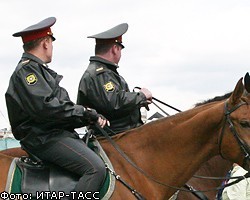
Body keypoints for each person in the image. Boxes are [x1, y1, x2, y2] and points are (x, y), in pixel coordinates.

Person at [5, 17, 108, 197]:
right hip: (44, 138)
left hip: (53, 134)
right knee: (96, 168)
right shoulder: (28, 72)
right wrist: (85, 113)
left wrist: (88, 117)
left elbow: (61, 108)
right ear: (45, 43)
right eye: (51, 43)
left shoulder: (39, 70)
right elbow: (47, 109)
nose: (52, 47)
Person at [77, 23, 152, 135]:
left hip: (121, 133)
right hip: (116, 135)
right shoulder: (100, 73)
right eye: (120, 49)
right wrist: (141, 96)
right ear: (115, 49)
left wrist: (138, 102)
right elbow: (114, 102)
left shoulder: (106, 72)